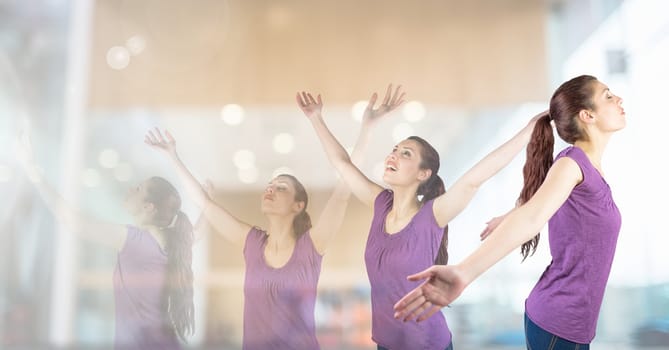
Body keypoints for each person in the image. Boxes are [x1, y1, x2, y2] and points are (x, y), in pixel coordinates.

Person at [144, 86, 397, 349]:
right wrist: (172, 156)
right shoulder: (251, 242)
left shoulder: (312, 246)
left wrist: (365, 127)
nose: (271, 189)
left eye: (281, 187)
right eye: (270, 184)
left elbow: (345, 185)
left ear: (298, 205)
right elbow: (205, 204)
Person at [298, 85, 540, 350]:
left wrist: (529, 130)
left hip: (427, 344)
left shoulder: (431, 215)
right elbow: (342, 164)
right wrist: (316, 118)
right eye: (395, 149)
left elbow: (475, 178)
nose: (394, 155)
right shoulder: (381, 204)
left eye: (406, 154)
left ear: (423, 174)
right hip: (387, 344)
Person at [394, 75, 625, 349]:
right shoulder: (572, 164)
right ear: (587, 115)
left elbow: (541, 203)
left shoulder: (586, 170)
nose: (619, 99)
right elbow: (533, 217)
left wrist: (510, 215)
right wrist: (464, 272)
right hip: (559, 323)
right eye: (608, 95)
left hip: (573, 324)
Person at [16, 131, 195, 350]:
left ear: (149, 207)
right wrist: (173, 156)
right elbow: (195, 232)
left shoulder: (136, 240)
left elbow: (74, 220)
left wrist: (33, 172)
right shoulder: (167, 241)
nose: (130, 190)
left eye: (138, 189)